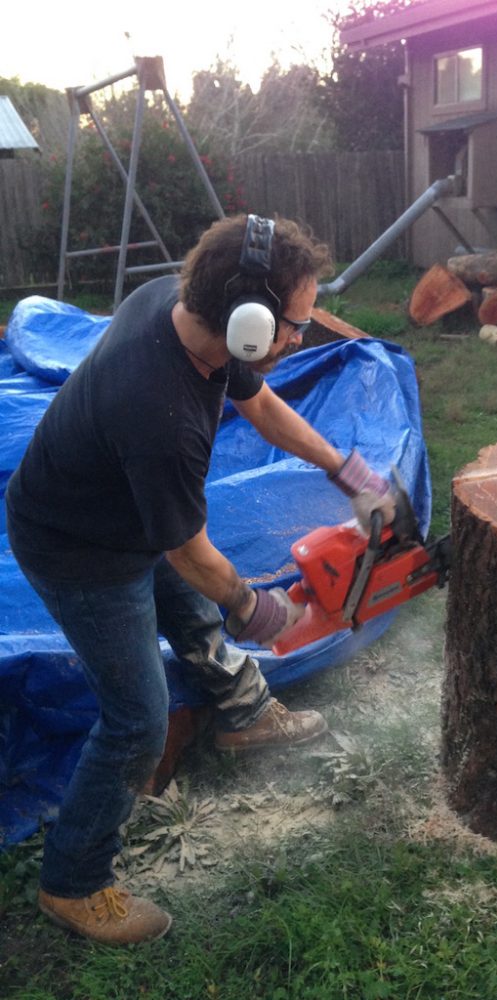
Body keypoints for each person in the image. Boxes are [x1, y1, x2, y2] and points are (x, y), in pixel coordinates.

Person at [5, 213, 395, 946]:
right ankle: (74, 881)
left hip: (124, 510)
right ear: (249, 324)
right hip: (75, 548)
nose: (301, 339)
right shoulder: (159, 412)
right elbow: (189, 551)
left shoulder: (185, 311)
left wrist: (344, 468)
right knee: (137, 720)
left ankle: (245, 716)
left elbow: (263, 406)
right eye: (297, 326)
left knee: (190, 611)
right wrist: (260, 608)